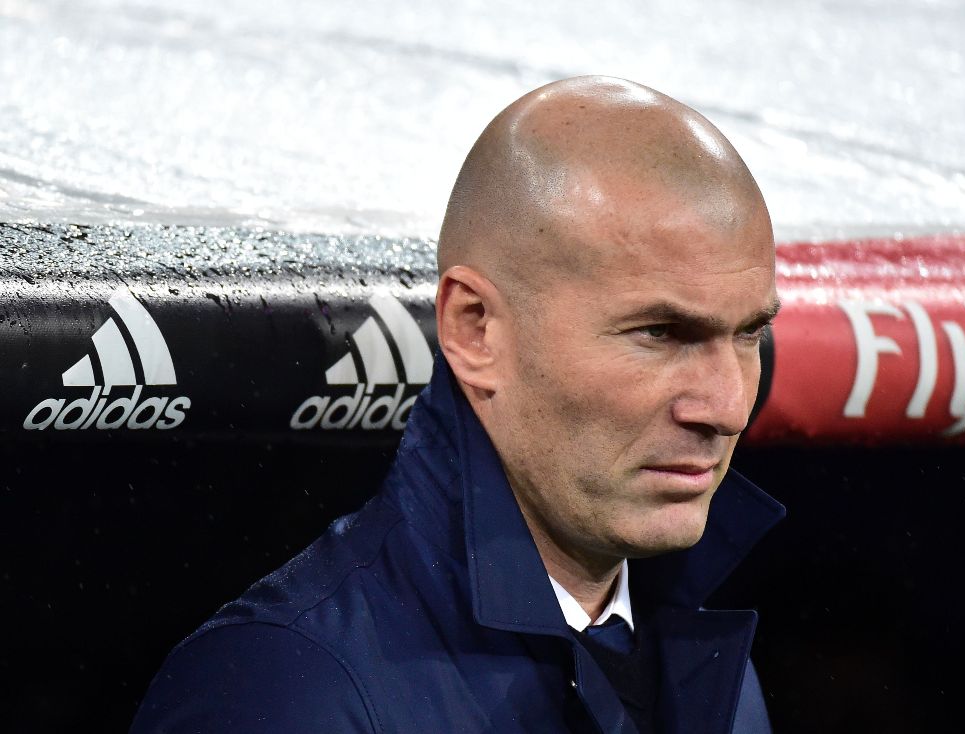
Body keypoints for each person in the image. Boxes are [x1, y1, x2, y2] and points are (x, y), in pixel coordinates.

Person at [131, 76, 784, 734]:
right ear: (476, 330)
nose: (728, 407)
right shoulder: (289, 691)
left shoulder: (714, 672)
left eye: (749, 333)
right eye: (660, 334)